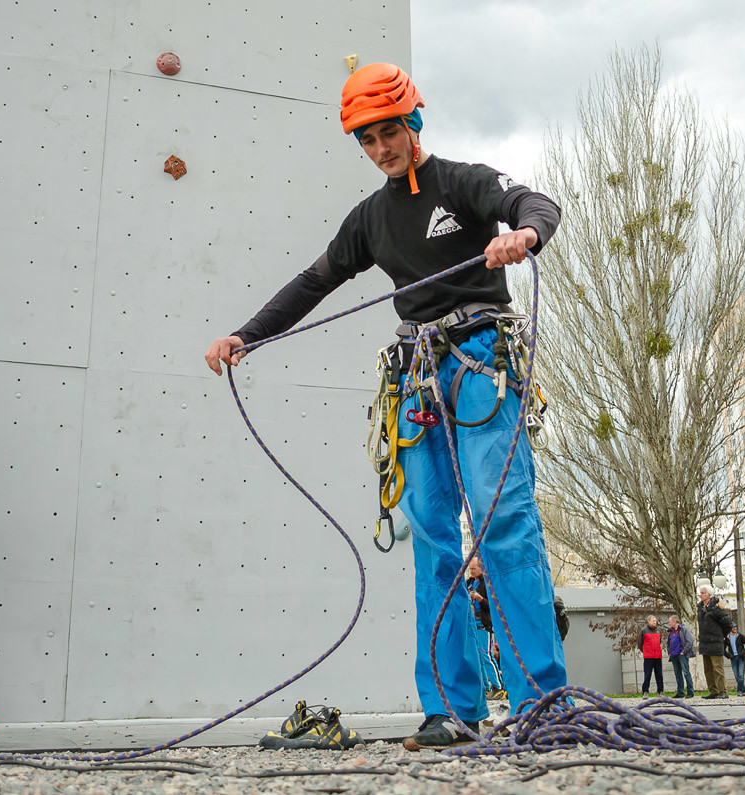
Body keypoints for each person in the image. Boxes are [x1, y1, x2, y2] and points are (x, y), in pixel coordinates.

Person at [204, 63, 566, 750]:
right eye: (366, 139)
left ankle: (540, 703)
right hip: (417, 378)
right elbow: (314, 280)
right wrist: (245, 335)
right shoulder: (371, 217)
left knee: (504, 523)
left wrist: (524, 236)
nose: (379, 148)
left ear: (413, 121)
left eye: (388, 132)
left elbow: (535, 203)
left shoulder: (462, 182)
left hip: (481, 365)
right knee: (432, 539)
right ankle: (451, 710)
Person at [465, 557, 504, 699]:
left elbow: (493, 606)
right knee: (477, 657)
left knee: (486, 654)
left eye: (474, 569)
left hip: (483, 625)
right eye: (470, 569)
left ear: (481, 568)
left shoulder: (486, 584)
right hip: (472, 625)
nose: (471, 571)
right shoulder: (468, 583)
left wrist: (480, 599)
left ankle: (498, 686)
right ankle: (486, 688)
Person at [697, 585, 733, 699]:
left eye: (702, 593)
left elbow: (728, 624)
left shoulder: (716, 608)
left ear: (709, 595)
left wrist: (721, 635)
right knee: (708, 669)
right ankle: (713, 691)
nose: (700, 595)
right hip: (704, 642)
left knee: (718, 668)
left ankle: (722, 691)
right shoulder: (700, 608)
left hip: (715, 642)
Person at [666, 615, 696, 698]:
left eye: (670, 621)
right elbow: (668, 643)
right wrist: (669, 652)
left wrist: (683, 652)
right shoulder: (670, 631)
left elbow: (690, 641)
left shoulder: (683, 629)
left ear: (675, 621)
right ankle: (680, 692)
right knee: (677, 674)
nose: (669, 623)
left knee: (686, 672)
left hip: (681, 655)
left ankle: (690, 691)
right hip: (673, 655)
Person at [638, 615, 664, 697]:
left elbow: (659, 641)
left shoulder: (658, 630)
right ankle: (645, 691)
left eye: (655, 620)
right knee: (647, 674)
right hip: (648, 657)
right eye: (653, 620)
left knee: (659, 675)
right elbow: (640, 644)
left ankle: (660, 692)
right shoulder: (643, 630)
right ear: (648, 621)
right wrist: (645, 651)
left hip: (658, 656)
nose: (655, 622)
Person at [725, 624, 745, 695]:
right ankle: (743, 689)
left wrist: (744, 652)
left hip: (741, 657)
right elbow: (723, 648)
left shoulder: (740, 636)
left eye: (735, 627)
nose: (735, 628)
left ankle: (739, 691)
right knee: (736, 676)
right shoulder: (727, 637)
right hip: (733, 658)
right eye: (733, 627)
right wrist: (729, 655)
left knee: (741, 675)